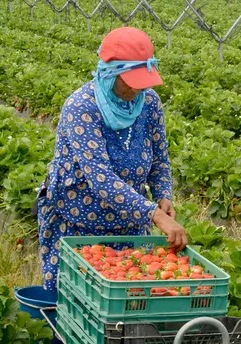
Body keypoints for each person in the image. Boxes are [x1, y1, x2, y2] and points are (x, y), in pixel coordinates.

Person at [35, 27, 187, 294]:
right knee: (78, 301)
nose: (135, 88)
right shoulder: (82, 107)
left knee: (130, 297)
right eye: (128, 80)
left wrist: (163, 195)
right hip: (78, 223)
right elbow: (100, 178)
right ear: (109, 73)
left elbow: (160, 159)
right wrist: (155, 216)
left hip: (130, 223)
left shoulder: (149, 102)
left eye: (142, 81)